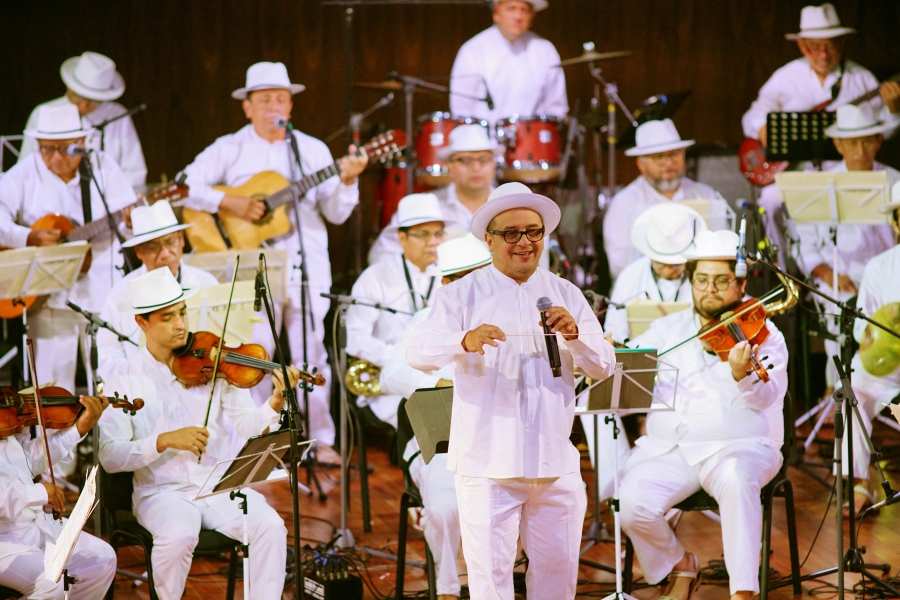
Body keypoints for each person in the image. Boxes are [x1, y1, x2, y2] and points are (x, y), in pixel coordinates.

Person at [407, 182, 616, 599]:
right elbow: (417, 353)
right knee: (490, 583)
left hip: (555, 462)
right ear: (489, 239)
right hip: (488, 463)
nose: (525, 242)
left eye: (534, 232)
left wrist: (576, 336)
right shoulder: (461, 294)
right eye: (512, 233)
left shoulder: (565, 293)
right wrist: (463, 339)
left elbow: (604, 366)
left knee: (558, 582)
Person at [181, 61, 368, 457]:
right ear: (247, 107)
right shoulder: (229, 148)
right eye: (264, 99)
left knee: (311, 353)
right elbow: (185, 184)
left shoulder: (310, 150)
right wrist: (230, 202)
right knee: (255, 354)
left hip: (306, 264)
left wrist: (348, 179)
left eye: (281, 98)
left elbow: (336, 213)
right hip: (252, 269)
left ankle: (318, 441)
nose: (274, 106)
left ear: (291, 105)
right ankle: (257, 443)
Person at [98, 268, 298, 600]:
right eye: (167, 318)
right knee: (178, 536)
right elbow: (110, 457)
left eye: (182, 313)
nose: (181, 324)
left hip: (219, 486)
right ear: (141, 322)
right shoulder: (123, 379)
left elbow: (248, 425)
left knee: (270, 526)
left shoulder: (214, 362)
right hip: (162, 493)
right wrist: (163, 441)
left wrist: (275, 402)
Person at [618, 230, 788, 600]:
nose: (710, 289)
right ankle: (680, 564)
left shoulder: (765, 335)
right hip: (674, 449)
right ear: (691, 281)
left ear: (741, 283)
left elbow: (767, 396)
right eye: (701, 280)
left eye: (721, 281)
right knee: (631, 503)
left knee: (737, 480)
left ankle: (744, 593)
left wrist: (742, 375)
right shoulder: (668, 328)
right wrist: (609, 354)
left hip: (741, 446)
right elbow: (629, 364)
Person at [380, 233, 493, 600]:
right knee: (445, 508)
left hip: (498, 440)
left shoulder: (507, 317)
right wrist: (441, 381)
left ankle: (504, 579)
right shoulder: (423, 321)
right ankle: (449, 589)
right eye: (467, 280)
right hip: (442, 443)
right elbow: (390, 374)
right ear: (446, 283)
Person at [0, 104, 135, 393]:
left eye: (63, 149)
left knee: (112, 383)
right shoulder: (25, 172)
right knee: (52, 390)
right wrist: (28, 237)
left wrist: (132, 221)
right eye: (46, 149)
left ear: (81, 143)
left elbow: (127, 224)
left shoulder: (103, 167)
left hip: (101, 291)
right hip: (45, 297)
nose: (55, 157)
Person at [793, 103, 899, 394]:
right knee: (838, 309)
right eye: (852, 143)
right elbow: (806, 245)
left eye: (867, 141)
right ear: (838, 144)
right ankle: (837, 386)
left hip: (886, 274)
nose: (860, 151)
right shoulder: (821, 185)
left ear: (878, 141)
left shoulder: (895, 180)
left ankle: (886, 387)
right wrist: (829, 274)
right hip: (840, 277)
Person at [0, 394, 116, 599]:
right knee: (52, 583)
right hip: (5, 540)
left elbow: (29, 461)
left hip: (35, 525)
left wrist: (79, 428)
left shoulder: (5, 426)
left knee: (102, 559)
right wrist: (40, 492)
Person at [346, 194, 444, 427]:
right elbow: (354, 337)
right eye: (423, 234)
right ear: (402, 237)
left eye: (438, 234)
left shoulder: (452, 274)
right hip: (389, 383)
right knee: (433, 420)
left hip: (438, 375)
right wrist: (400, 358)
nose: (433, 242)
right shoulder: (375, 276)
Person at [742, 3, 900, 147]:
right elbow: (753, 116)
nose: (823, 55)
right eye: (815, 46)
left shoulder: (862, 78)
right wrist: (763, 128)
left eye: (831, 46)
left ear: (841, 43)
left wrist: (894, 112)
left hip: (845, 165)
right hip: (794, 165)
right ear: (802, 46)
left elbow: (883, 134)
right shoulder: (785, 76)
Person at [96, 200, 218, 382]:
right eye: (153, 247)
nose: (165, 254)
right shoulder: (120, 293)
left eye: (170, 242)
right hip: (142, 386)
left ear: (181, 239)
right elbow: (107, 354)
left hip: (201, 383)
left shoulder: (206, 282)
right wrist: (139, 377)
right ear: (139, 251)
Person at [838, 181, 900, 515]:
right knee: (852, 393)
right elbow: (863, 326)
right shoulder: (880, 266)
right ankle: (860, 481)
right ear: (896, 223)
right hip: (888, 366)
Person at [602, 119, 730, 279]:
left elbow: (725, 248)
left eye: (675, 154)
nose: (669, 163)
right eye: (659, 157)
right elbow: (619, 267)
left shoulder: (705, 194)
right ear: (641, 164)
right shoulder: (624, 203)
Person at [368, 124, 500, 264]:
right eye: (466, 160)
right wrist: (426, 274)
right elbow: (381, 255)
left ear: (494, 163)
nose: (476, 167)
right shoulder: (425, 206)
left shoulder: (510, 204)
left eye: (484, 159)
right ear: (449, 166)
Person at [20, 51, 147, 188]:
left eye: (93, 100)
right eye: (79, 97)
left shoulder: (118, 115)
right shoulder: (44, 113)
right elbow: (25, 170)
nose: (84, 106)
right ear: (69, 87)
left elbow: (134, 173)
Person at [449, 0, 567, 124]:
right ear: (496, 12)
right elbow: (461, 109)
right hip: (482, 133)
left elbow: (556, 107)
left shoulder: (545, 50)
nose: (518, 17)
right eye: (511, 9)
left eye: (525, 10)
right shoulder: (473, 50)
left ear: (533, 16)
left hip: (532, 133)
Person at [604, 202, 706, 344]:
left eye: (676, 265)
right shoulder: (630, 275)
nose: (669, 270)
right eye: (660, 264)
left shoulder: (703, 277)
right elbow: (615, 329)